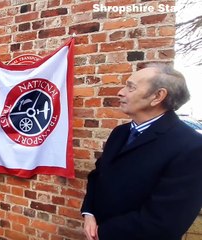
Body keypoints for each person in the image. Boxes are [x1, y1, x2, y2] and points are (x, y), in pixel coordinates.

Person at [81, 63, 202, 240]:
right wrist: (89, 213)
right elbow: (98, 176)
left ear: (157, 96)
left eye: (131, 87)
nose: (121, 92)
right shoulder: (120, 133)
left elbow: (165, 221)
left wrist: (103, 232)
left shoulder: (190, 146)